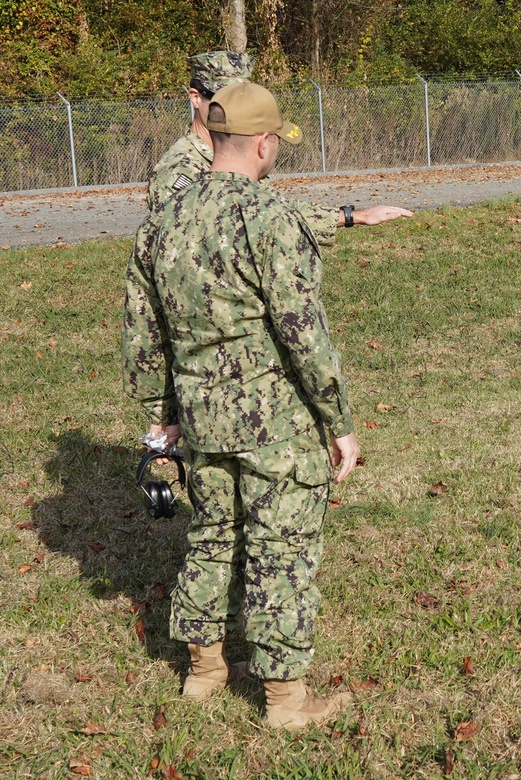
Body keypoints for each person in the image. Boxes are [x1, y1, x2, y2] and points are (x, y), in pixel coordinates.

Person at [123, 81, 362, 730]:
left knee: (212, 537)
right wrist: (338, 425)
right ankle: (285, 703)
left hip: (202, 420)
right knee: (280, 551)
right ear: (262, 145)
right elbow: (303, 335)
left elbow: (144, 332)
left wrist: (161, 412)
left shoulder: (163, 220)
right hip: (276, 424)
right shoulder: (272, 219)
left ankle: (204, 673)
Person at [147, 50, 411, 241]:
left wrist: (354, 216)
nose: (236, 108)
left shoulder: (242, 150)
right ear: (196, 98)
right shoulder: (179, 171)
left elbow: (274, 211)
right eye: (223, 99)